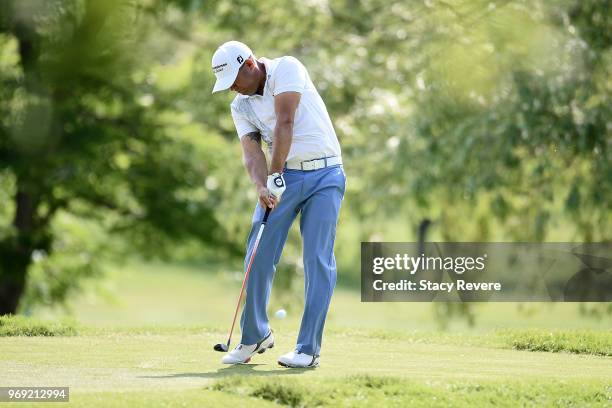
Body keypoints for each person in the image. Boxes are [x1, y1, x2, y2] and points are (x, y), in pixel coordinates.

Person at [211, 40, 346, 368]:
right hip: (282, 178)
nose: (232, 89)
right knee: (257, 252)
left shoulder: (287, 68)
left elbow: (285, 121)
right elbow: (250, 150)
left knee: (317, 260)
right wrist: (261, 186)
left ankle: (307, 349)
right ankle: (254, 335)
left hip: (325, 174)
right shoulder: (240, 106)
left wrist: (275, 175)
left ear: (250, 64)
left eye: (234, 80)